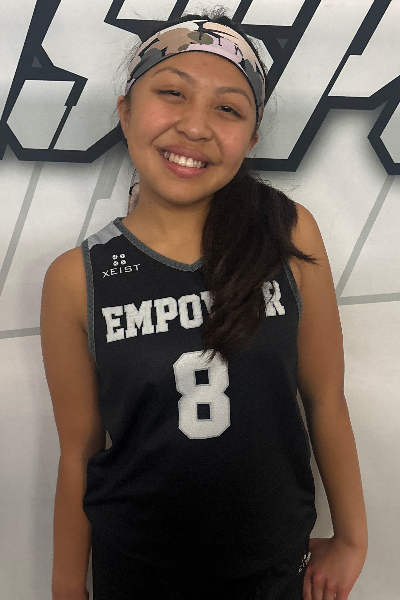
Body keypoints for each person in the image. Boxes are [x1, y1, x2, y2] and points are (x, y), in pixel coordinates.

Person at [41, 10, 368, 600]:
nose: (195, 126)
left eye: (228, 109)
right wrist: (66, 585)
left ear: (252, 137)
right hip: (136, 574)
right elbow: (78, 452)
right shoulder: (75, 277)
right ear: (125, 110)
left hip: (272, 572)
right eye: (172, 93)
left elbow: (325, 398)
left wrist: (351, 538)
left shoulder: (287, 231)